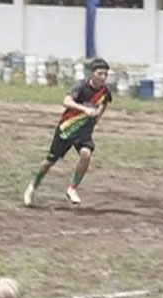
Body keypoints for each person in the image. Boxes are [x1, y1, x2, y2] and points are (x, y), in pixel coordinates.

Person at [24, 57, 112, 207]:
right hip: (67, 128)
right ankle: (32, 187)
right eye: (100, 73)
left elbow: (104, 105)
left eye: (105, 74)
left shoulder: (105, 92)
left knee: (86, 154)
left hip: (83, 133)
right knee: (49, 162)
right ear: (92, 73)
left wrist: (96, 119)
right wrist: (84, 109)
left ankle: (72, 188)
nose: (103, 77)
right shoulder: (81, 86)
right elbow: (66, 101)